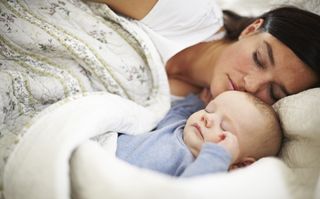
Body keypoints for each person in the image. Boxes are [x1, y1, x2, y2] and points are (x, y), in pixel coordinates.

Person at [88, 0, 320, 105]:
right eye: (258, 60)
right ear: (250, 30)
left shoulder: (199, 114)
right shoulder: (189, 14)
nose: (251, 85)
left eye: (274, 93)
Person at [116, 90, 282, 177]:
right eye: (209, 109)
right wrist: (196, 101)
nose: (207, 118)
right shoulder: (177, 125)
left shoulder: (206, 169)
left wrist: (218, 156)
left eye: (224, 127)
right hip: (102, 153)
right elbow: (176, 111)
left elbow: (189, 192)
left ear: (240, 165)